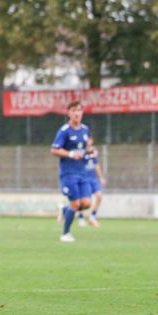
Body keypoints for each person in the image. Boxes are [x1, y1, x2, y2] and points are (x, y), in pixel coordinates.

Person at [50, 101, 92, 242]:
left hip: (82, 172)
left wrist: (90, 152)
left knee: (86, 203)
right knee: (75, 204)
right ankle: (65, 234)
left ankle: (64, 210)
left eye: (79, 110)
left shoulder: (85, 129)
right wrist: (70, 154)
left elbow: (84, 149)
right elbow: (54, 150)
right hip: (68, 173)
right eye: (74, 110)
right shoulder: (64, 131)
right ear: (68, 113)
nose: (77, 113)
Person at [77, 147, 105, 228]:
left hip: (93, 179)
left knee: (99, 196)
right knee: (85, 201)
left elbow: (96, 165)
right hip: (84, 178)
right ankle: (81, 218)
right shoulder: (80, 149)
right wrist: (85, 152)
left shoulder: (93, 151)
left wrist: (101, 177)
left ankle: (92, 217)